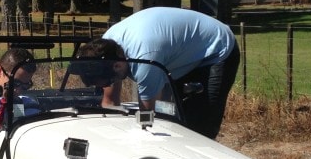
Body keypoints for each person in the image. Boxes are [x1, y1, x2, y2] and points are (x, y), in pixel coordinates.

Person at [77, 7, 240, 139]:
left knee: (201, 125)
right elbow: (110, 102)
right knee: (176, 115)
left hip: (216, 48)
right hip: (176, 49)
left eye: (107, 83)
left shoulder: (145, 61)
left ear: (117, 66)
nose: (107, 86)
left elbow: (146, 116)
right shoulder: (106, 47)